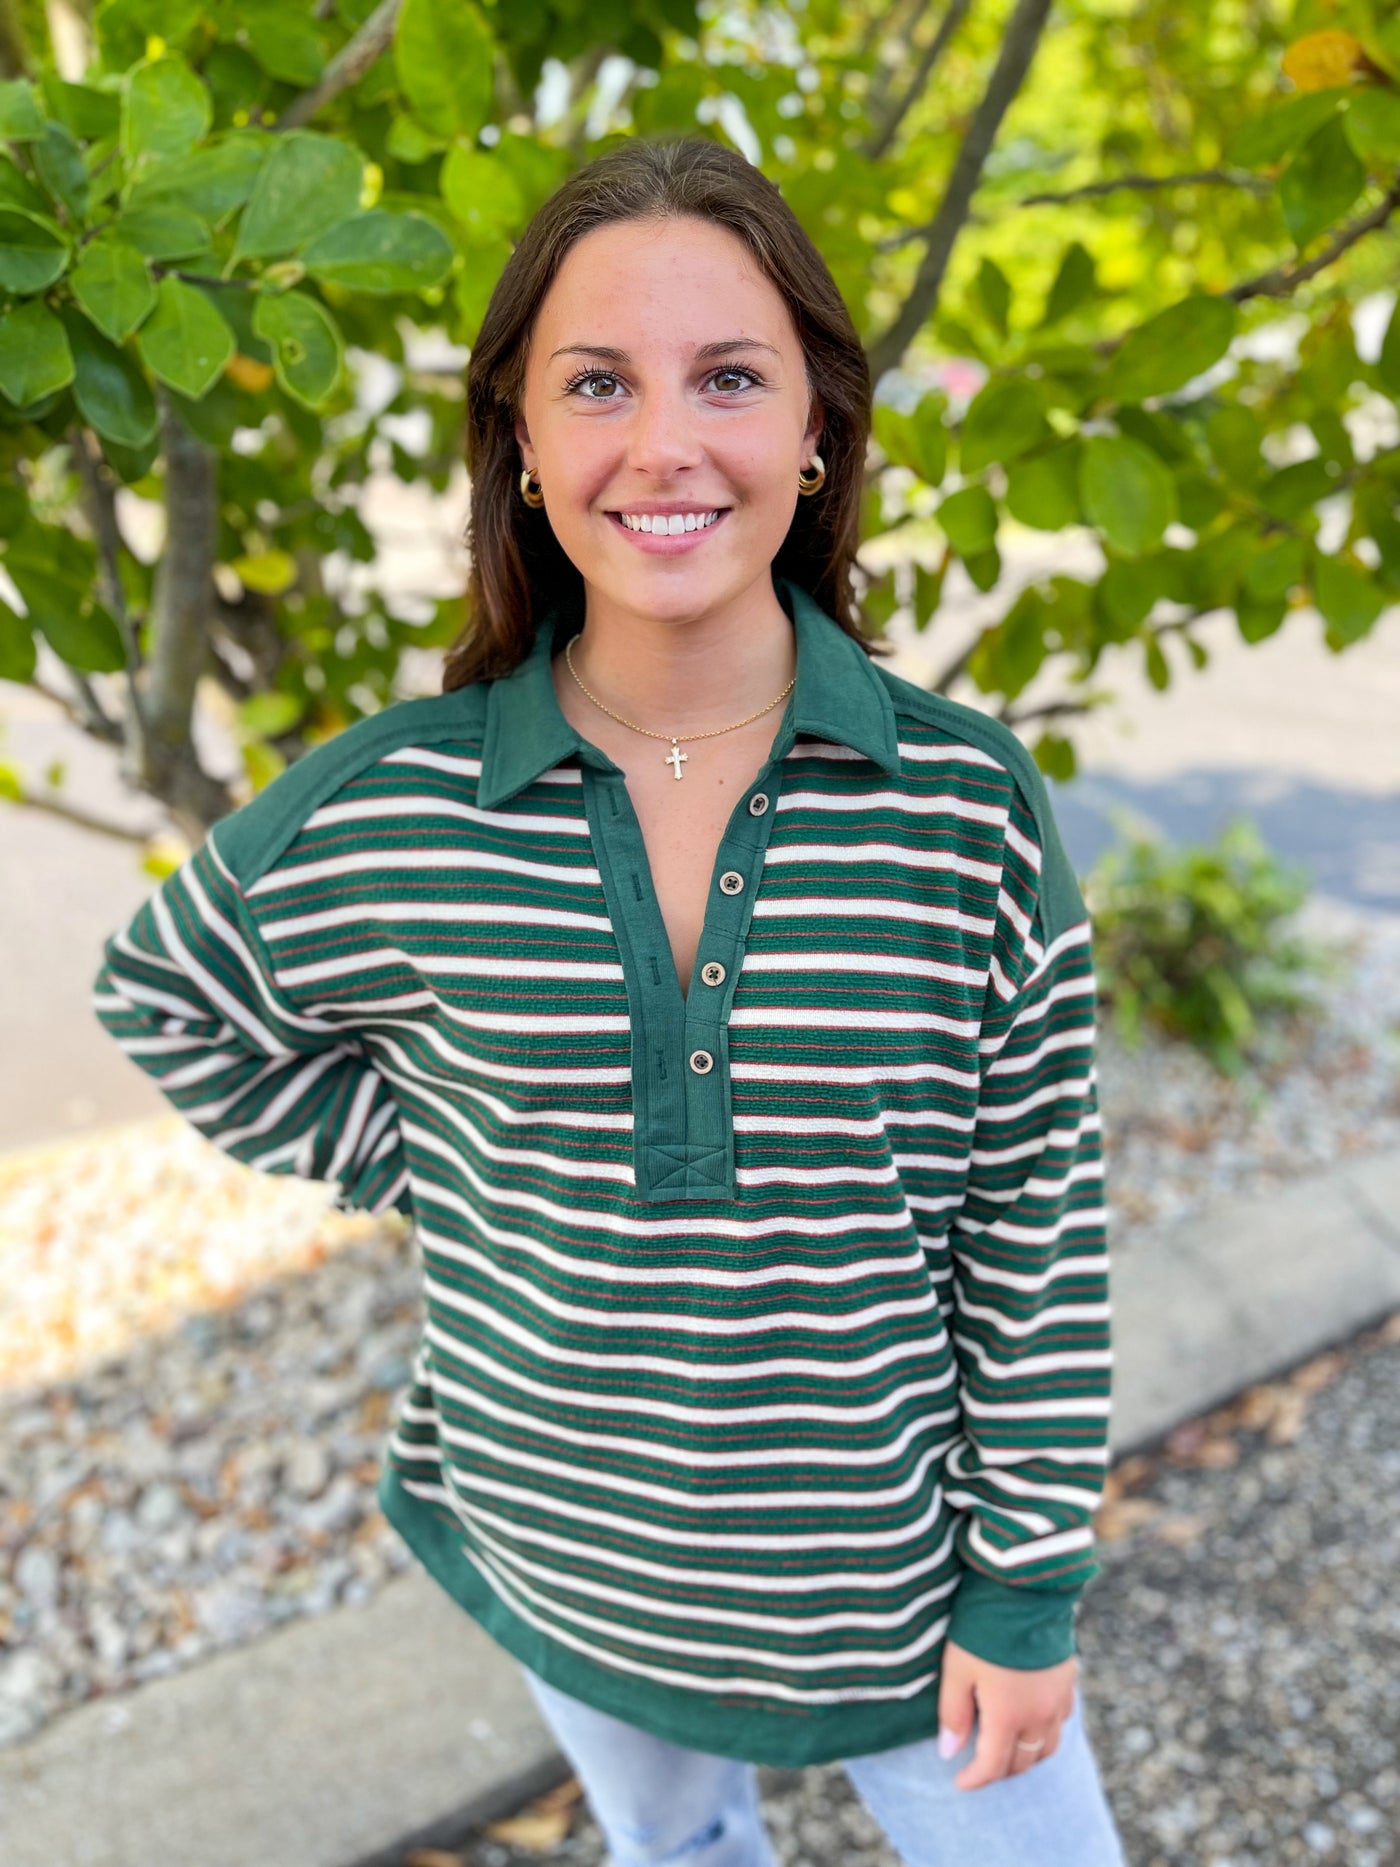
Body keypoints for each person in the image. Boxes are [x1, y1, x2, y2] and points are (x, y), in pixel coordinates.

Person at [92, 135, 1126, 1866]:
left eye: (729, 376)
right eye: (596, 384)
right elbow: (170, 992)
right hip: (562, 1557)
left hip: (891, 1590)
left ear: (816, 429)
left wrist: (1024, 1587)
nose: (664, 443)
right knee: (680, 1852)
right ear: (518, 447)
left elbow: (1034, 1229)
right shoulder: (399, 804)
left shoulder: (964, 809)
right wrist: (428, 1154)